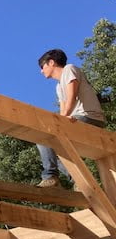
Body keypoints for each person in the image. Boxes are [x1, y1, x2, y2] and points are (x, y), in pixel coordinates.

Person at [36, 48, 105, 188]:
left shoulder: (69, 69)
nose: (41, 71)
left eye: (42, 67)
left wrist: (65, 118)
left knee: (43, 137)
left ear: (51, 62)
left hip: (89, 117)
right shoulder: (58, 86)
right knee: (54, 147)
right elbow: (63, 110)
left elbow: (71, 97)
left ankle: (50, 176)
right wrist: (61, 122)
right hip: (76, 118)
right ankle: (79, 181)